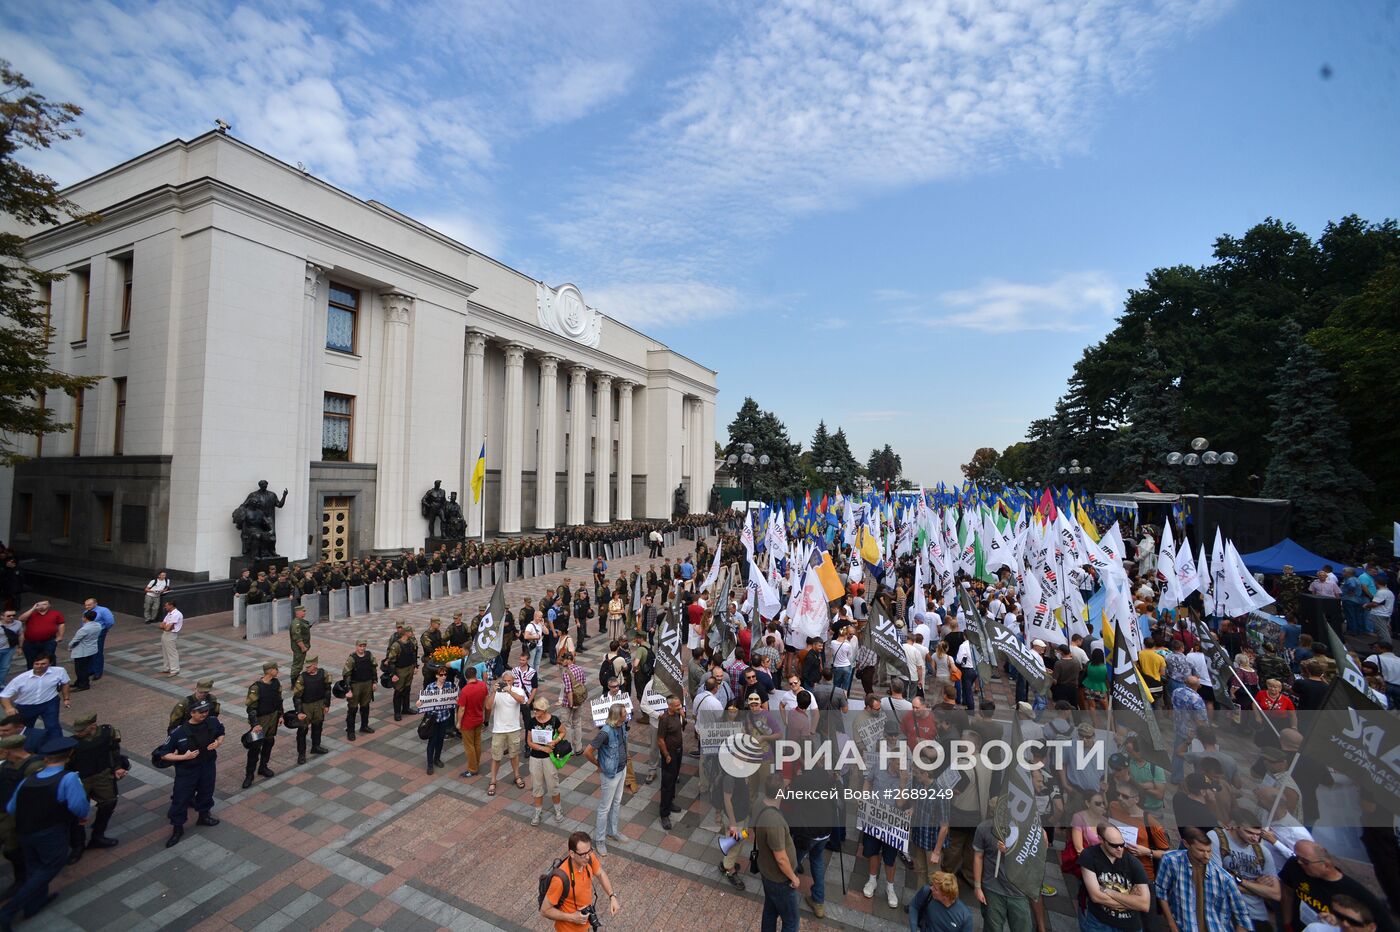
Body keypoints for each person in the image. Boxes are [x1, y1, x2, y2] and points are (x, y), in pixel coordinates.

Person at [0, 733, 89, 928]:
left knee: (34, 868)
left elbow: (12, 808)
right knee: (50, 866)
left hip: (25, 832)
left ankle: (34, 904)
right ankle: (8, 911)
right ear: (70, 754)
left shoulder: (29, 778)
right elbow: (79, 807)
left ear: (46, 758)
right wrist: (81, 815)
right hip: (51, 832)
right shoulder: (68, 778)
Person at [1279, 841, 1396, 932]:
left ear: (1326, 865)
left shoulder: (1357, 894)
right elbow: (1288, 893)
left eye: (1305, 862)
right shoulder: (1295, 866)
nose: (1299, 863)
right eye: (1298, 858)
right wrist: (1287, 924)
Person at [1155, 826, 1251, 932]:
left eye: (1209, 851)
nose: (1206, 856)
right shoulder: (1170, 861)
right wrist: (1171, 924)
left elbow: (1242, 915)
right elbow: (1161, 891)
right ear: (1186, 844)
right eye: (1201, 850)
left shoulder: (1224, 878)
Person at [157, 700, 223, 848]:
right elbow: (164, 754)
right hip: (187, 771)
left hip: (207, 766)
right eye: (201, 712)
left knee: (206, 791)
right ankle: (177, 828)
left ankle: (204, 816)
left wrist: (218, 743)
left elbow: (221, 733)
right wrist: (183, 757)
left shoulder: (212, 721)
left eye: (206, 711)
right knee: (181, 798)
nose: (205, 714)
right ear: (192, 713)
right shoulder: (178, 732)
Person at [64, 713, 128, 859]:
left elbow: (114, 750)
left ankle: (97, 836)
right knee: (77, 811)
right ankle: (77, 845)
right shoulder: (71, 743)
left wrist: (117, 767)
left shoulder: (107, 732)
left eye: (81, 730)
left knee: (109, 803)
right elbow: (66, 764)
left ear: (92, 726)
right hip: (81, 779)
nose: (77, 733)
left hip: (102, 775)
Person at [1209, 810, 1279, 932]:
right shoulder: (1217, 837)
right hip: (1227, 910)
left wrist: (1241, 881)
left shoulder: (1263, 852)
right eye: (1249, 832)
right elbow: (1217, 880)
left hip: (1258, 916)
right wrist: (1258, 888)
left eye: (1258, 834)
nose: (1255, 838)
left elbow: (1275, 894)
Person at [539, 831, 620, 931]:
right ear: (572, 853)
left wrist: (612, 896)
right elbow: (545, 910)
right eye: (583, 854)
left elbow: (600, 873)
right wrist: (572, 917)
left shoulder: (589, 858)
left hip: (584, 926)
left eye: (589, 851)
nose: (587, 857)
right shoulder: (560, 879)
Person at [1079, 823, 1152, 932]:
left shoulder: (1133, 863)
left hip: (1130, 926)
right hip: (1099, 923)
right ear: (1101, 840)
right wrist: (1132, 902)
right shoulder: (1089, 855)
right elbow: (1096, 897)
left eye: (1122, 844)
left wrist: (1108, 891)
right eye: (1114, 845)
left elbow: (1144, 904)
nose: (1120, 849)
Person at [973, 808, 1036, 932]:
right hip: (992, 888)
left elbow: (1034, 860)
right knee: (992, 928)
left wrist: (1010, 853)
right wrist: (977, 887)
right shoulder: (984, 828)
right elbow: (978, 857)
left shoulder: (1027, 831)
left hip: (1018, 891)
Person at [754, 772, 802, 932]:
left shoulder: (758, 804)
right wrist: (793, 877)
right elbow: (781, 858)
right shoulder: (774, 822)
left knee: (770, 910)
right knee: (791, 921)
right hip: (780, 879)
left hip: (767, 872)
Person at [0, 655, 70, 735]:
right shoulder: (20, 679)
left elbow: (65, 683)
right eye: (37, 664)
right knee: (24, 729)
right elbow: (4, 695)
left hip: (50, 703)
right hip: (26, 706)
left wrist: (66, 699)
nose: (39, 666)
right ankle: (26, 745)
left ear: (50, 663)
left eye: (43, 664)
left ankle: (57, 745)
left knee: (53, 726)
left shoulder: (59, 671)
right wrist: (9, 708)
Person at [242, 661, 283, 788]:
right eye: (276, 669)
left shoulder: (276, 683)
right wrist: (255, 724)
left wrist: (281, 715)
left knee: (269, 742)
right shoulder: (256, 688)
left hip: (273, 717)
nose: (278, 671)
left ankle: (263, 767)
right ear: (270, 670)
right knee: (255, 747)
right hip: (261, 720)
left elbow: (279, 700)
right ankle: (249, 775)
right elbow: (251, 708)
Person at [485, 672, 527, 797]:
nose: (507, 683)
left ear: (513, 681)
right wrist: (493, 692)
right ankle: (493, 780)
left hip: (514, 729)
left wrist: (509, 691)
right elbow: (487, 706)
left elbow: (522, 700)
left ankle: (517, 776)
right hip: (499, 730)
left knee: (514, 755)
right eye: (505, 681)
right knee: (496, 757)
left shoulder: (518, 690)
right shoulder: (497, 692)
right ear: (502, 680)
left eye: (509, 681)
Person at [292, 655, 333, 764]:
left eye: (309, 667)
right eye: (306, 667)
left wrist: (327, 705)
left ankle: (316, 746)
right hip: (306, 706)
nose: (306, 669)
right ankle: (301, 754)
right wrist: (299, 711)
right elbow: (297, 696)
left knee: (318, 726)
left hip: (319, 704)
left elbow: (328, 690)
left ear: (315, 665)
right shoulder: (302, 678)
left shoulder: (323, 674)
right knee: (302, 730)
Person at [656, 695, 685, 830]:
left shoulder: (678, 715)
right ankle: (664, 813)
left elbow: (682, 728)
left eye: (680, 704)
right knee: (667, 782)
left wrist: (683, 716)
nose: (680, 707)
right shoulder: (664, 719)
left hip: (679, 751)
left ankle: (670, 802)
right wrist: (666, 754)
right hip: (670, 753)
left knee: (674, 778)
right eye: (677, 705)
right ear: (670, 706)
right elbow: (660, 739)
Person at [909, 870, 974, 932]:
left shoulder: (965, 917)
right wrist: (913, 929)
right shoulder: (927, 892)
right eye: (932, 885)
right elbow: (914, 906)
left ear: (945, 896)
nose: (931, 888)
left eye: (935, 889)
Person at [418, 667, 453, 775]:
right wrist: (419, 703)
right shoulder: (431, 687)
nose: (443, 677)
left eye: (445, 675)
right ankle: (429, 764)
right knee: (432, 741)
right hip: (433, 719)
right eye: (441, 675)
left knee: (440, 740)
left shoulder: (449, 686)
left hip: (444, 717)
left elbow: (453, 697)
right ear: (437, 676)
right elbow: (423, 699)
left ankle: (437, 759)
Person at [454, 666, 487, 778]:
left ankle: (472, 769)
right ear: (476, 674)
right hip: (479, 718)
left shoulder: (465, 690)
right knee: (477, 742)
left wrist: (459, 722)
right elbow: (484, 700)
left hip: (468, 721)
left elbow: (462, 708)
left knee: (469, 746)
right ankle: (476, 763)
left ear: (465, 676)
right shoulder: (482, 685)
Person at [342, 639, 377, 741]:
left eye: (364, 646)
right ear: (356, 646)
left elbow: (373, 669)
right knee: (352, 709)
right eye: (360, 646)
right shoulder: (352, 658)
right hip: (355, 685)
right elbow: (346, 674)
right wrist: (348, 689)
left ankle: (364, 726)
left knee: (365, 706)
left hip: (367, 683)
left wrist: (374, 682)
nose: (362, 648)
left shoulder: (369, 655)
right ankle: (350, 731)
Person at [17, 601, 63, 671]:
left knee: (49, 659)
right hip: (30, 642)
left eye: (44, 604)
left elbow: (61, 624)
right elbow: (21, 619)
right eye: (39, 604)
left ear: (49, 605)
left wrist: (60, 636)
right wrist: (33, 609)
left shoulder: (56, 613)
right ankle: (33, 677)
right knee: (31, 661)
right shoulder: (31, 614)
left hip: (48, 641)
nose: (42, 606)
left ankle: (51, 675)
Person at [386, 627, 419, 722]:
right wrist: (393, 674)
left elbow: (413, 654)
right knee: (398, 691)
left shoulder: (411, 642)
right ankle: (397, 712)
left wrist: (415, 666)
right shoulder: (396, 645)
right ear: (405, 633)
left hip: (409, 668)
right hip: (400, 670)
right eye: (410, 632)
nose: (412, 633)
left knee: (407, 688)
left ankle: (406, 708)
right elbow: (391, 661)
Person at [67, 610, 102, 691]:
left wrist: (70, 647)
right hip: (91, 649)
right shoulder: (98, 625)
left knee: (80, 669)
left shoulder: (84, 629)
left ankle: (83, 684)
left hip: (82, 651)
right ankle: (79, 682)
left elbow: (75, 640)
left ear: (85, 618)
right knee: (85, 667)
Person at [82, 598, 115, 681]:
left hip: (99, 633)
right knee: (89, 652)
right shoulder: (86, 612)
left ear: (95, 603)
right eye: (86, 605)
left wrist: (104, 629)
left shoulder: (103, 610)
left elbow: (110, 622)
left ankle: (98, 672)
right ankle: (91, 669)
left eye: (89, 605)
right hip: (88, 634)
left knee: (97, 652)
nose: (87, 606)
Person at [158, 598, 182, 677]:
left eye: (166, 606)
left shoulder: (176, 614)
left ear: (171, 606)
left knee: (172, 653)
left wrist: (166, 626)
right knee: (165, 652)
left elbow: (168, 627)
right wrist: (166, 626)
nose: (165, 607)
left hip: (171, 635)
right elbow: (162, 625)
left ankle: (175, 670)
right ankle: (167, 668)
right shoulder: (169, 613)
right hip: (165, 634)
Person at [288, 606, 312, 682]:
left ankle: (296, 677)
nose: (304, 613)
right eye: (303, 611)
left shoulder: (300, 621)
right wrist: (303, 647)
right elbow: (297, 637)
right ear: (297, 612)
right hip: (299, 648)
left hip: (301, 646)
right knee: (297, 664)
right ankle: (294, 681)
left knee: (300, 663)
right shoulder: (296, 623)